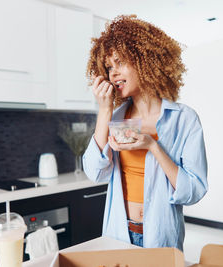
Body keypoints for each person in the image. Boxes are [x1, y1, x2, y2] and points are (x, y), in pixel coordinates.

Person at [82, 15, 208, 251]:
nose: (113, 73)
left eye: (119, 62)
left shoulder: (184, 119)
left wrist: (153, 146)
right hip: (118, 234)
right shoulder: (115, 117)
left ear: (144, 60)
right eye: (109, 67)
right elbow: (94, 173)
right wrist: (104, 110)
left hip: (161, 237)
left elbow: (194, 190)